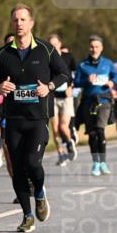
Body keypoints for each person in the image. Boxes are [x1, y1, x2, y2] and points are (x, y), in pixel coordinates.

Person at [0, 4, 70, 232]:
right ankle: (27, 215)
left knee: (33, 163)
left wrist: (49, 87)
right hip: (13, 119)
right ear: (11, 24)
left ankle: (40, 194)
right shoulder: (4, 54)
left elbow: (65, 74)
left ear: (31, 23)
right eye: (15, 20)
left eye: (23, 19)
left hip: (37, 119)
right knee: (18, 168)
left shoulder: (46, 49)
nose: (19, 24)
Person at [74, 35, 117, 176]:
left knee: (100, 130)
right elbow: (76, 82)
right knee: (92, 133)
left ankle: (103, 162)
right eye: (92, 47)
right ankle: (95, 163)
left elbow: (116, 76)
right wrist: (86, 80)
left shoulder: (108, 63)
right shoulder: (82, 65)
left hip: (104, 99)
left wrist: (112, 82)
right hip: (88, 101)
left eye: (97, 47)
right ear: (89, 48)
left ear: (101, 48)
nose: (94, 49)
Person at [48, 33, 78, 165]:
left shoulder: (68, 57)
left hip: (66, 97)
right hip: (52, 96)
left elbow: (75, 75)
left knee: (63, 126)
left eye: (55, 44)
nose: (53, 47)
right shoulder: (45, 59)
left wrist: (71, 86)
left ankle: (69, 142)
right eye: (50, 45)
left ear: (60, 44)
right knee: (54, 128)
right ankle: (61, 154)